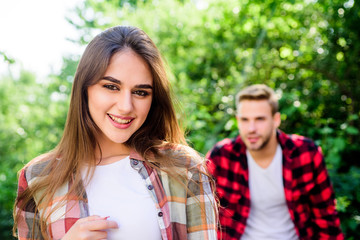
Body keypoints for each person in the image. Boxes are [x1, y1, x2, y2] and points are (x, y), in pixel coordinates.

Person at [13, 26, 217, 240]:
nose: (126, 106)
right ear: (85, 89)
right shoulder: (38, 176)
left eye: (140, 92)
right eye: (111, 87)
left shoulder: (184, 167)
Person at [206, 84, 343, 240]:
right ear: (238, 120)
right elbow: (202, 214)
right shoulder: (222, 156)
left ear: (276, 119)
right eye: (245, 120)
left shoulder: (305, 153)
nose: (251, 128)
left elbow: (325, 216)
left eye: (260, 119)